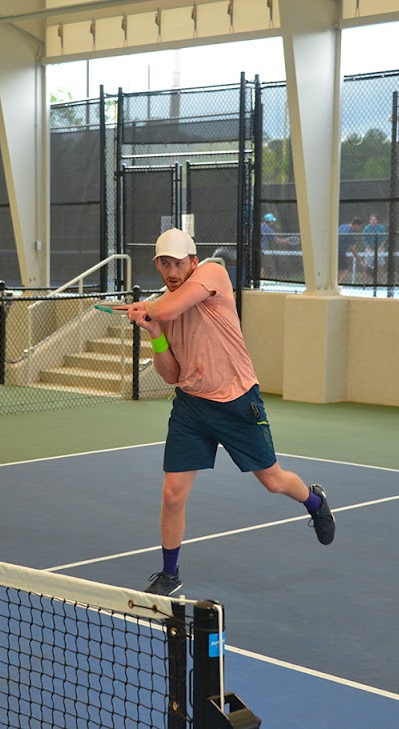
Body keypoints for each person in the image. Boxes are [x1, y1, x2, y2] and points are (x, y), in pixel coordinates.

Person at [117, 228, 335, 596]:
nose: (171, 271)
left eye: (178, 263)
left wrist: (150, 309)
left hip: (237, 402)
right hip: (191, 407)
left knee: (273, 481)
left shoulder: (212, 274)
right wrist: (155, 333)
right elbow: (171, 373)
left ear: (193, 262)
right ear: (158, 265)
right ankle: (170, 573)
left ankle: (314, 501)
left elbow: (167, 306)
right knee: (172, 495)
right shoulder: (162, 309)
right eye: (164, 264)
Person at [337, 217, 363, 283]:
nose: (359, 228)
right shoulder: (351, 233)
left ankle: (337, 284)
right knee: (345, 271)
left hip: (334, 252)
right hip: (341, 253)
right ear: (356, 225)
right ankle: (340, 285)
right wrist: (360, 260)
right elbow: (353, 249)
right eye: (359, 226)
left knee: (340, 271)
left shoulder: (342, 226)